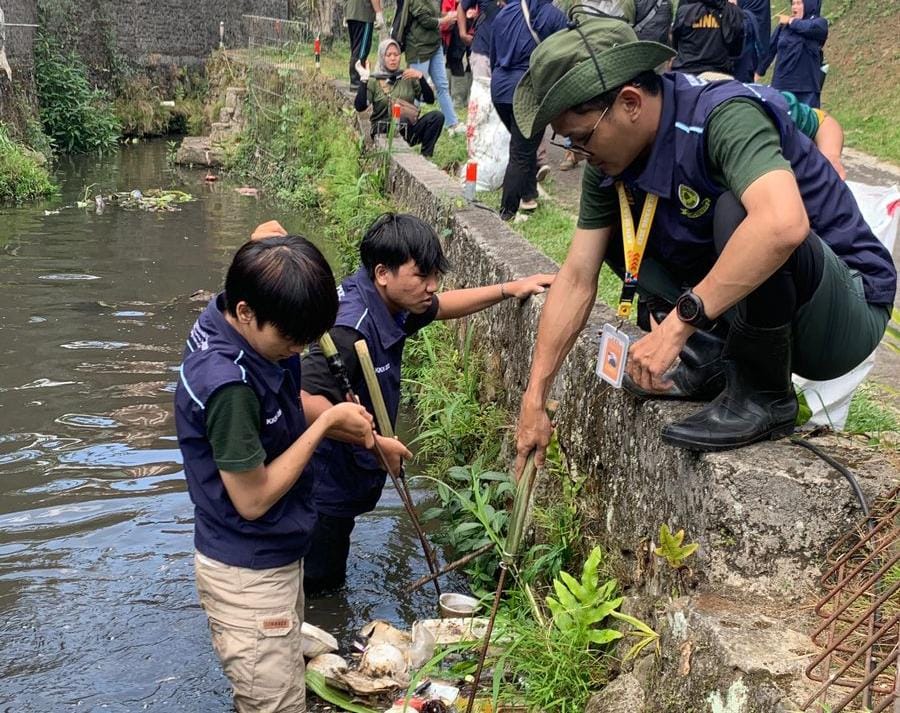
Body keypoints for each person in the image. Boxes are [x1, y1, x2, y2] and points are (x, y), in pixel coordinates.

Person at [509, 17, 895, 464]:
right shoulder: (611, 167)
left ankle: (765, 396)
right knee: (614, 227)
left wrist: (678, 325)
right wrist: (535, 396)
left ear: (630, 102)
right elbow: (576, 277)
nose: (578, 154)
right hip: (761, 304)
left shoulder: (722, 116)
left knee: (742, 212)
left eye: (581, 138)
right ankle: (712, 363)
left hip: (841, 311)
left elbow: (783, 226)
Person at [300, 213, 554, 593]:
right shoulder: (349, 329)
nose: (432, 286)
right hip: (323, 480)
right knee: (318, 586)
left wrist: (508, 288)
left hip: (347, 472)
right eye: (423, 276)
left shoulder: (392, 302)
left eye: (435, 275)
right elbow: (301, 399)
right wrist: (370, 440)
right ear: (383, 272)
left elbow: (442, 306)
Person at [175, 236, 376, 712]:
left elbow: (293, 399)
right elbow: (253, 498)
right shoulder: (228, 388)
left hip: (274, 553)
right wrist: (328, 424)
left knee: (282, 683)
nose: (296, 351)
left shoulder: (235, 318)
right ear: (246, 312)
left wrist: (363, 436)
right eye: (289, 341)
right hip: (248, 571)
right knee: (277, 704)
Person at [490, 0, 567, 221]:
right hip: (527, 90)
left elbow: (493, 55)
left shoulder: (505, 13)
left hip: (500, 88)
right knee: (521, 153)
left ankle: (529, 195)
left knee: (523, 145)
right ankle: (507, 212)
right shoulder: (553, 16)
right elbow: (566, 55)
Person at [356, 39, 445, 158]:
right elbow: (360, 106)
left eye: (396, 55)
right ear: (382, 57)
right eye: (389, 55)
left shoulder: (408, 77)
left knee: (437, 117)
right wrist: (363, 79)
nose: (393, 58)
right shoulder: (374, 80)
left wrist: (421, 78)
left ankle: (426, 157)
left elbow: (429, 100)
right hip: (384, 128)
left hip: (407, 128)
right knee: (401, 120)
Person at [394, 0, 463, 131]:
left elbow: (436, 13)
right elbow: (426, 21)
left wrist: (450, 15)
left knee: (442, 85)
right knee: (415, 88)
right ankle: (406, 123)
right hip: (418, 47)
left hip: (435, 45)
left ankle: (452, 123)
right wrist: (445, 20)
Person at [755, 0, 828, 108]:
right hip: (782, 85)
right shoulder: (783, 27)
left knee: (805, 123)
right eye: (793, 3)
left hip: (807, 88)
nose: (794, 7)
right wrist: (757, 72)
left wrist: (791, 21)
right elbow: (770, 49)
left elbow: (808, 28)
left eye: (799, 3)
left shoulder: (819, 23)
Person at [671, 0, 744, 77]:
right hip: (719, 74)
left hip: (686, 72)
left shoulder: (684, 11)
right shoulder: (733, 13)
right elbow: (737, 50)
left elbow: (675, 44)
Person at [346, 0, 385, 88]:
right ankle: (357, 81)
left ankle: (355, 80)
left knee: (355, 48)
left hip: (350, 13)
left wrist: (346, 12)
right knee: (362, 49)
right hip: (363, 14)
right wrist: (378, 12)